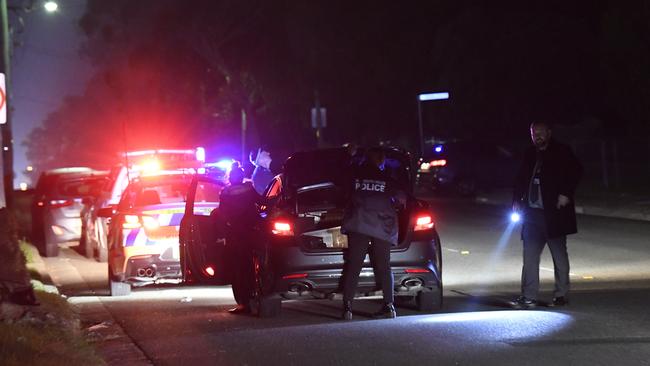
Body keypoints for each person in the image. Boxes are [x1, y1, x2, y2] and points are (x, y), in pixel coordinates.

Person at [510, 121, 582, 309]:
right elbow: (520, 179)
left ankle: (561, 295)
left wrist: (566, 193)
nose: (537, 136)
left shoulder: (562, 151)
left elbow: (576, 171)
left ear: (549, 132)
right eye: (534, 133)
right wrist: (517, 200)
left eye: (541, 132)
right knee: (530, 257)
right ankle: (529, 296)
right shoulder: (530, 153)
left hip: (554, 214)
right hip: (532, 215)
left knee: (559, 256)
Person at [340, 147, 405, 320]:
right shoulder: (387, 179)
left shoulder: (355, 176)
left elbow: (342, 190)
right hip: (382, 228)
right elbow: (401, 199)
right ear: (381, 160)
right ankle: (389, 306)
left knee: (354, 267)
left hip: (359, 225)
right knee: (385, 267)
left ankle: (348, 308)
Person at [218, 162, 266, 314]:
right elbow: (263, 202)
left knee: (238, 269)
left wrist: (222, 233)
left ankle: (243, 302)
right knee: (253, 266)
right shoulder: (249, 190)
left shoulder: (225, 193)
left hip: (235, 236)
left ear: (231, 178)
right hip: (251, 233)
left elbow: (221, 215)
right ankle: (256, 297)